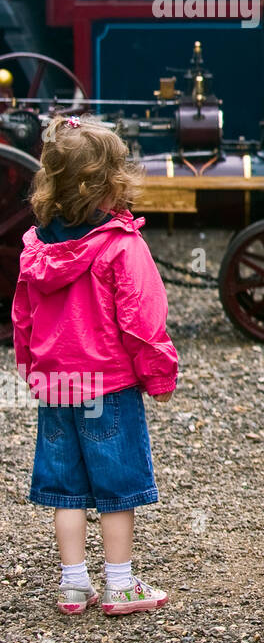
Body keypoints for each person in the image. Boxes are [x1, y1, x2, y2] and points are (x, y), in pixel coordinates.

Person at [12, 115, 178, 616]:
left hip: (57, 384)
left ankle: (73, 585)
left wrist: (30, 368)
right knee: (115, 488)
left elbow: (23, 317)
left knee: (66, 489)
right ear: (112, 183)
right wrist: (159, 374)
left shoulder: (35, 249)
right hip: (106, 385)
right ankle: (121, 585)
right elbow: (142, 319)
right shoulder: (122, 246)